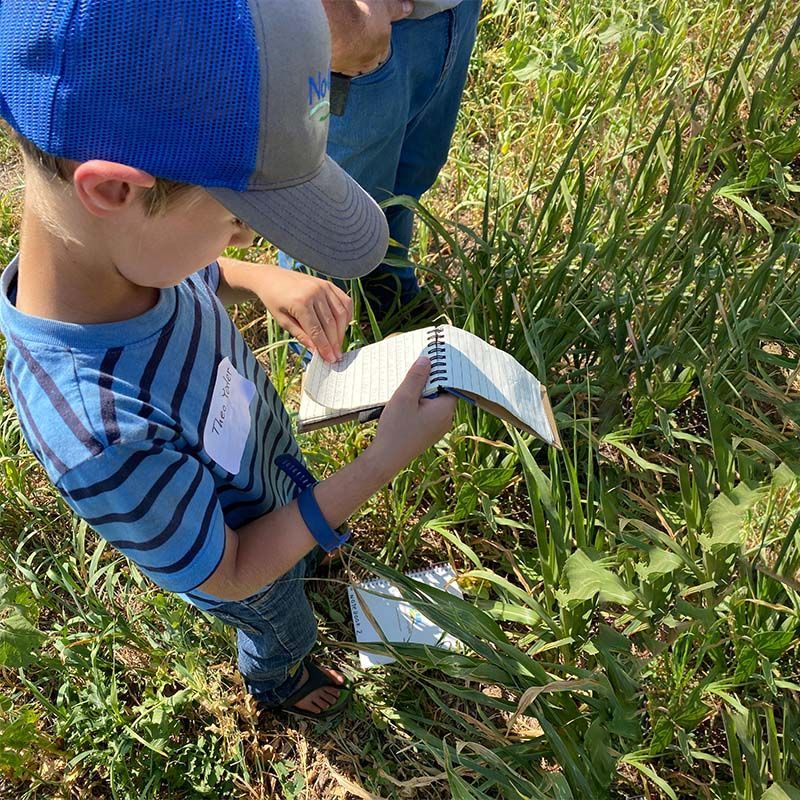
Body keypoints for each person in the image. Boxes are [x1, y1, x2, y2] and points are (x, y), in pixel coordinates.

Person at [0, 0, 456, 719]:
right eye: (239, 219)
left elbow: (187, 269)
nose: (243, 241)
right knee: (283, 620)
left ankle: (309, 536)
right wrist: (380, 461)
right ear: (114, 189)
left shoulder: (127, 257)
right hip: (247, 560)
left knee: (295, 528)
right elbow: (237, 569)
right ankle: (279, 681)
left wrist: (261, 279)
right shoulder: (97, 432)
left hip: (265, 468)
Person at [281, 0, 482, 322]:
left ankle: (388, 296)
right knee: (329, 220)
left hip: (449, 14)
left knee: (407, 181)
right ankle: (318, 353)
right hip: (354, 29)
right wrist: (341, 21)